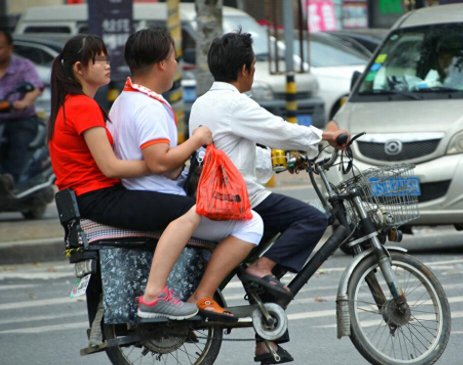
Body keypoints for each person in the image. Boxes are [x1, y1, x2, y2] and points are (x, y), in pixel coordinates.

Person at [47, 34, 262, 321]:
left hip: (91, 196)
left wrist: (165, 163)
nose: (107, 65)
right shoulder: (83, 107)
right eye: (99, 60)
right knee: (192, 210)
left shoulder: (95, 103)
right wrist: (165, 160)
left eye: (107, 58)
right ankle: (154, 295)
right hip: (98, 196)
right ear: (79, 69)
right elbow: (111, 167)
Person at [189, 30, 349, 364]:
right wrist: (324, 136)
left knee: (272, 264)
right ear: (245, 69)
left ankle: (266, 342)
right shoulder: (235, 103)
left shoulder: (203, 102)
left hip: (220, 193)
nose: (255, 71)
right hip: (238, 198)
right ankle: (261, 268)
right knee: (311, 219)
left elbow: (242, 151)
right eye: (254, 66)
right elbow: (278, 129)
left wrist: (287, 160)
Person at [0, 28, 44, 190]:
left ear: (10, 48)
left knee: (19, 140)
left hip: (20, 118)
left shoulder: (23, 66)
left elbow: (35, 87)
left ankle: (10, 180)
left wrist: (25, 101)